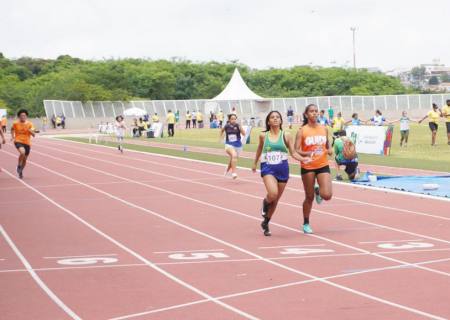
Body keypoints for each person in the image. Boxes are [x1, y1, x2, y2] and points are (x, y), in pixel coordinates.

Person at [253, 111, 311, 236]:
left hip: (283, 169)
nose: (275, 119)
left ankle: (266, 222)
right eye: (272, 117)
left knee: (276, 200)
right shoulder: (263, 136)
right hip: (268, 168)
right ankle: (265, 202)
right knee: (272, 194)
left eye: (277, 117)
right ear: (268, 121)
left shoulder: (286, 135)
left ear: (281, 121)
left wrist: (303, 158)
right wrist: (254, 162)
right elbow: (259, 148)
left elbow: (293, 153)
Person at [295, 104, 333, 234]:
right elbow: (296, 149)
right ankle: (306, 223)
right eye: (311, 111)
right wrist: (307, 154)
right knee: (309, 197)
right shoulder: (302, 130)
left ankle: (319, 191)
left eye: (316, 111)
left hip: (322, 164)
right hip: (308, 166)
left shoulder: (324, 129)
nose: (315, 113)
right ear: (306, 114)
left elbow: (327, 145)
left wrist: (330, 150)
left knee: (327, 195)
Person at [11, 109, 38, 179]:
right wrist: (12, 136)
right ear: (19, 117)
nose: (23, 117)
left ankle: (20, 171)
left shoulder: (30, 124)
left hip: (27, 143)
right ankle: (19, 165)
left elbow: (34, 135)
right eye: (21, 116)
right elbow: (12, 129)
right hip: (18, 140)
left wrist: (30, 130)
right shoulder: (15, 123)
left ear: (26, 116)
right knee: (22, 152)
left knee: (25, 160)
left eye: (24, 115)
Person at [221, 114, 245, 179]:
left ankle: (227, 169)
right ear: (229, 119)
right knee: (234, 155)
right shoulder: (226, 126)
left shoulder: (238, 126)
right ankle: (233, 173)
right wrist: (221, 137)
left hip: (238, 145)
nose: (233, 120)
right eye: (232, 119)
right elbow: (222, 130)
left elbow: (244, 134)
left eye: (235, 119)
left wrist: (240, 127)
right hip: (228, 145)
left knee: (232, 159)